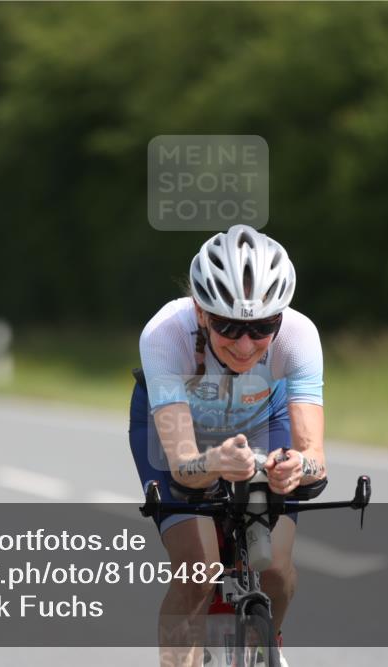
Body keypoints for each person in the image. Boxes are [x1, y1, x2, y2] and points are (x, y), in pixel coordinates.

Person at [130, 224, 327, 667]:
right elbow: (183, 466)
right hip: (177, 434)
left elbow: (315, 458)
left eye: (261, 327)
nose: (244, 344)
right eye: (228, 326)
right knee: (196, 572)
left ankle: (268, 641)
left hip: (262, 422)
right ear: (201, 312)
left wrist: (296, 467)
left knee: (275, 569)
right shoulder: (165, 334)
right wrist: (216, 462)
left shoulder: (299, 336)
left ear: (280, 318)